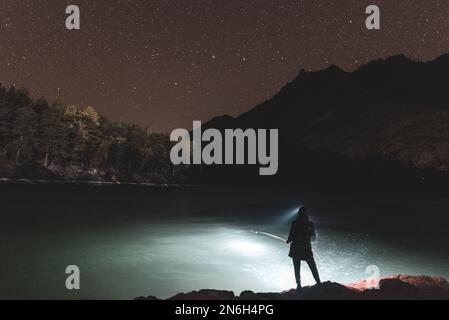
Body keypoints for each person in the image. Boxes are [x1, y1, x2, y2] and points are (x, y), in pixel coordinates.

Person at [286, 207, 321, 292]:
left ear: (298, 214)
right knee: (313, 267)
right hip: (306, 249)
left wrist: (289, 240)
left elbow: (291, 236)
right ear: (306, 214)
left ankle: (299, 286)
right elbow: (313, 238)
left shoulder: (294, 223)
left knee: (297, 268)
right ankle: (319, 283)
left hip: (296, 249)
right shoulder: (309, 224)